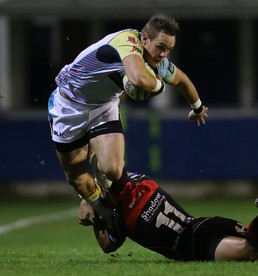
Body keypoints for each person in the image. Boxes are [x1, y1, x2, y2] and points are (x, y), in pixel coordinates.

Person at [48, 15, 209, 223]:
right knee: (76, 177)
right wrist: (159, 86)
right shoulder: (127, 41)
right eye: (161, 47)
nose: (163, 54)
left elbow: (182, 81)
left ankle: (108, 212)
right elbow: (138, 79)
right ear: (144, 38)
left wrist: (197, 108)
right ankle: (96, 205)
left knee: (113, 170)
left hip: (103, 107)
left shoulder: (155, 58)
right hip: (68, 105)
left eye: (168, 49)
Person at [79, 163, 258, 261]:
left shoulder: (120, 217)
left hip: (196, 244)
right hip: (205, 223)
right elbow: (118, 174)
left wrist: (95, 212)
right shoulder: (143, 180)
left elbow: (107, 245)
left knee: (251, 251)